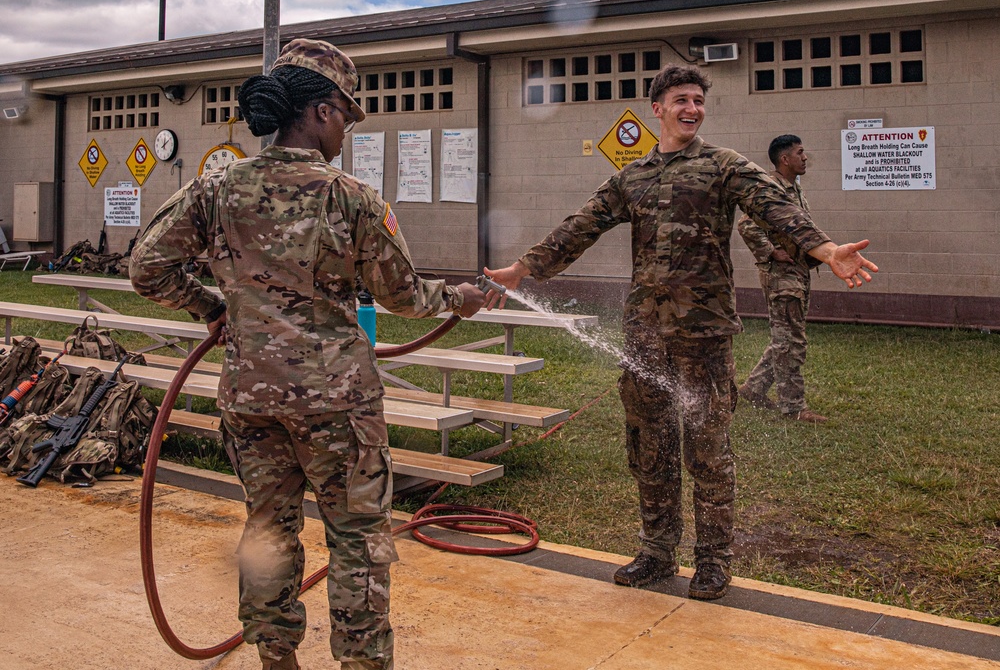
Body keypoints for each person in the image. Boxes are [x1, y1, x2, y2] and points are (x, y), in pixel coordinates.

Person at [130, 38, 486, 670]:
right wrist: (456, 298)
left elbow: (147, 269)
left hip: (251, 399)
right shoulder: (350, 197)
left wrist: (214, 307)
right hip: (337, 406)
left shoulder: (214, 190)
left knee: (268, 531)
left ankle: (275, 658)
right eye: (346, 116)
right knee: (358, 541)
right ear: (321, 111)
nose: (347, 131)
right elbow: (402, 296)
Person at [484, 64, 876, 602]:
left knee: (708, 449)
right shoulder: (633, 176)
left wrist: (825, 249)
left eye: (698, 100)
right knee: (651, 446)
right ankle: (655, 551)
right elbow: (582, 224)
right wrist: (523, 269)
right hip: (645, 333)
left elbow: (776, 207)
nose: (692, 109)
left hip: (705, 335)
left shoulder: (723, 166)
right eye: (681, 100)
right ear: (658, 108)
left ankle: (713, 560)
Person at [737, 134, 825, 422]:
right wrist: (771, 252)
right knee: (789, 340)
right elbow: (747, 223)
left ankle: (753, 388)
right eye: (800, 152)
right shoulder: (770, 187)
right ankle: (793, 408)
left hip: (797, 270)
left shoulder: (794, 188)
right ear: (784, 159)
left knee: (787, 337)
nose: (805, 157)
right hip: (781, 274)